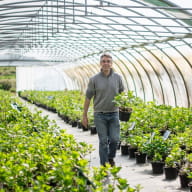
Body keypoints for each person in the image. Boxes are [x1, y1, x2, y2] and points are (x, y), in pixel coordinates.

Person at [82, 53, 124, 166]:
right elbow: (88, 98)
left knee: (115, 139)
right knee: (103, 141)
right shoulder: (94, 79)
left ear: (111, 63)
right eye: (104, 61)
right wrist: (84, 116)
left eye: (108, 61)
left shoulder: (118, 78)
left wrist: (124, 106)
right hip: (100, 115)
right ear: (100, 63)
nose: (106, 63)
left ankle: (110, 157)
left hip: (114, 114)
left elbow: (122, 94)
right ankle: (104, 165)